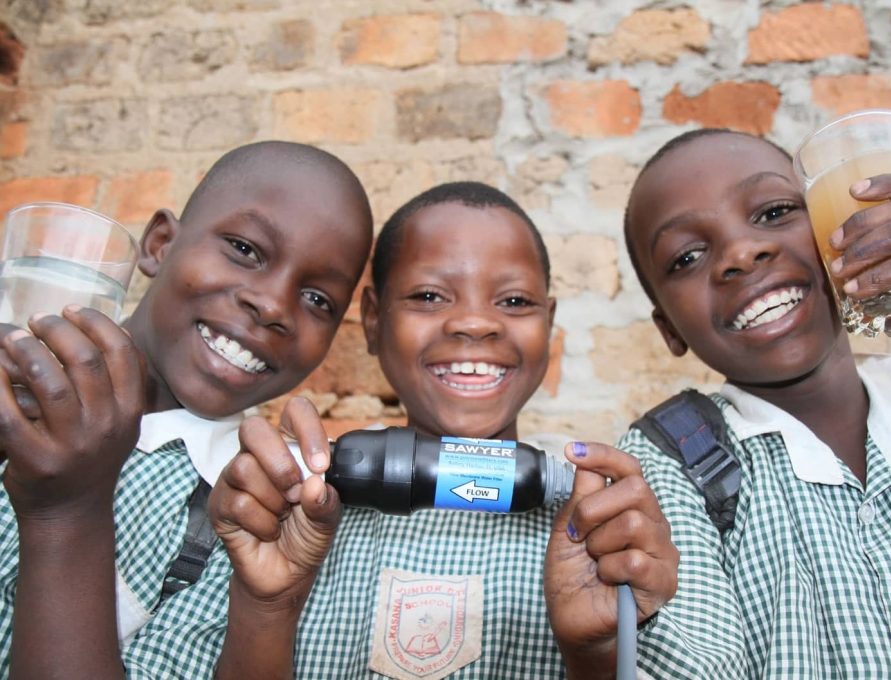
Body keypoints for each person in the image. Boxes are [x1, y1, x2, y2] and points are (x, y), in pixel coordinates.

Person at [121, 181, 680, 679]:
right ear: (370, 319)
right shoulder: (274, 504)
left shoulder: (613, 535)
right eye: (429, 296)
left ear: (549, 325)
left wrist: (593, 658)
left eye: (513, 301)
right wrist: (266, 607)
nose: (474, 323)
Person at [0, 140, 374, 679]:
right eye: (245, 249)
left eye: (318, 300)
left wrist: (69, 509)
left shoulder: (243, 516)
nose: (271, 305)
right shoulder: (20, 391)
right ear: (159, 244)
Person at [619, 128, 891, 677]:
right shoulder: (665, 468)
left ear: (833, 227)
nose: (742, 253)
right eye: (688, 256)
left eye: (772, 213)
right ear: (668, 329)